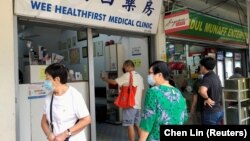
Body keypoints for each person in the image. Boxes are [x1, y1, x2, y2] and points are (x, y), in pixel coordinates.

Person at [41, 63, 91, 141]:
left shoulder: (74, 95)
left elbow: (87, 120)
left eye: (47, 79)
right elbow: (44, 121)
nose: (45, 82)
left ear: (57, 79)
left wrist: (65, 134)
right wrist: (48, 134)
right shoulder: (49, 97)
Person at [139, 61, 188, 141]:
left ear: (159, 75)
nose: (149, 76)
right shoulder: (178, 92)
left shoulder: (153, 91)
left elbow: (148, 121)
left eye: (150, 73)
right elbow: (184, 117)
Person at [101, 60, 144, 141]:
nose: (123, 69)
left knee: (130, 125)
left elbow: (114, 82)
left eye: (124, 67)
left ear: (127, 66)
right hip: (138, 105)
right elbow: (142, 90)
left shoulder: (127, 75)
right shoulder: (140, 76)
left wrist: (105, 79)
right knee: (137, 124)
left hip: (130, 105)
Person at [198, 57, 224, 125]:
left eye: (200, 66)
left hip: (210, 112)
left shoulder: (207, 78)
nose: (199, 68)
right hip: (219, 110)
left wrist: (207, 98)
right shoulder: (216, 76)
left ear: (203, 67)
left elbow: (202, 91)